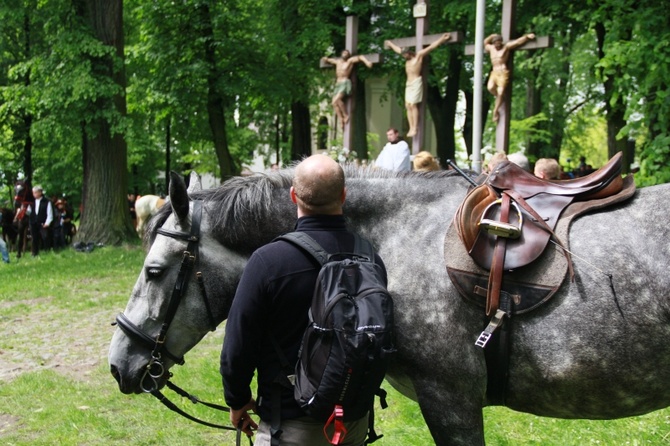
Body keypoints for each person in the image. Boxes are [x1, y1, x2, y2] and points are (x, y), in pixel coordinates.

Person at [220, 154, 388, 445]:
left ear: (293, 195)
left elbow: (238, 344)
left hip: (289, 425)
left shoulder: (268, 261)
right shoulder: (370, 258)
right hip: (352, 421)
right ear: (344, 195)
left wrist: (237, 400)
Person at [384, 33, 451, 137]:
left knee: (413, 104)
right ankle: (411, 127)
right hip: (408, 83)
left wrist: (442, 39)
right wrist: (390, 43)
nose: (403, 56)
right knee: (407, 105)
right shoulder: (406, 59)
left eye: (405, 54)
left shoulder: (418, 56)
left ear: (409, 53)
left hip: (416, 82)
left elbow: (431, 47)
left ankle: (415, 127)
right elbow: (397, 49)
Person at [484, 32, 535, 122]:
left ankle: (495, 111)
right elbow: (485, 43)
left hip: (502, 72)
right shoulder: (491, 48)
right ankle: (501, 98)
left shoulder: (506, 47)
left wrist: (526, 37)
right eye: (496, 42)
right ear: (494, 43)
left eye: (499, 42)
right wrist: (491, 36)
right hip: (494, 72)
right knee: (490, 88)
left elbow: (518, 42)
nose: (498, 44)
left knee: (500, 91)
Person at [321, 50, 373, 129]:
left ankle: (345, 115)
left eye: (347, 53)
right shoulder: (338, 62)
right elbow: (328, 60)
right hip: (338, 84)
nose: (345, 54)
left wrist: (367, 62)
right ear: (341, 54)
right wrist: (325, 59)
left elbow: (360, 57)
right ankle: (341, 119)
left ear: (348, 55)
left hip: (344, 83)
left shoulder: (349, 61)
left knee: (336, 100)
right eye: (344, 53)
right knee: (333, 103)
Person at [29, 185, 53, 256]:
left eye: (35, 193)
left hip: (43, 222)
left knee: (45, 237)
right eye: (33, 193)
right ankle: (34, 253)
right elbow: (29, 212)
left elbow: (50, 213)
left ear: (40, 192)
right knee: (34, 238)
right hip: (33, 222)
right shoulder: (32, 202)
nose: (34, 194)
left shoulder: (46, 201)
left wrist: (47, 223)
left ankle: (47, 251)